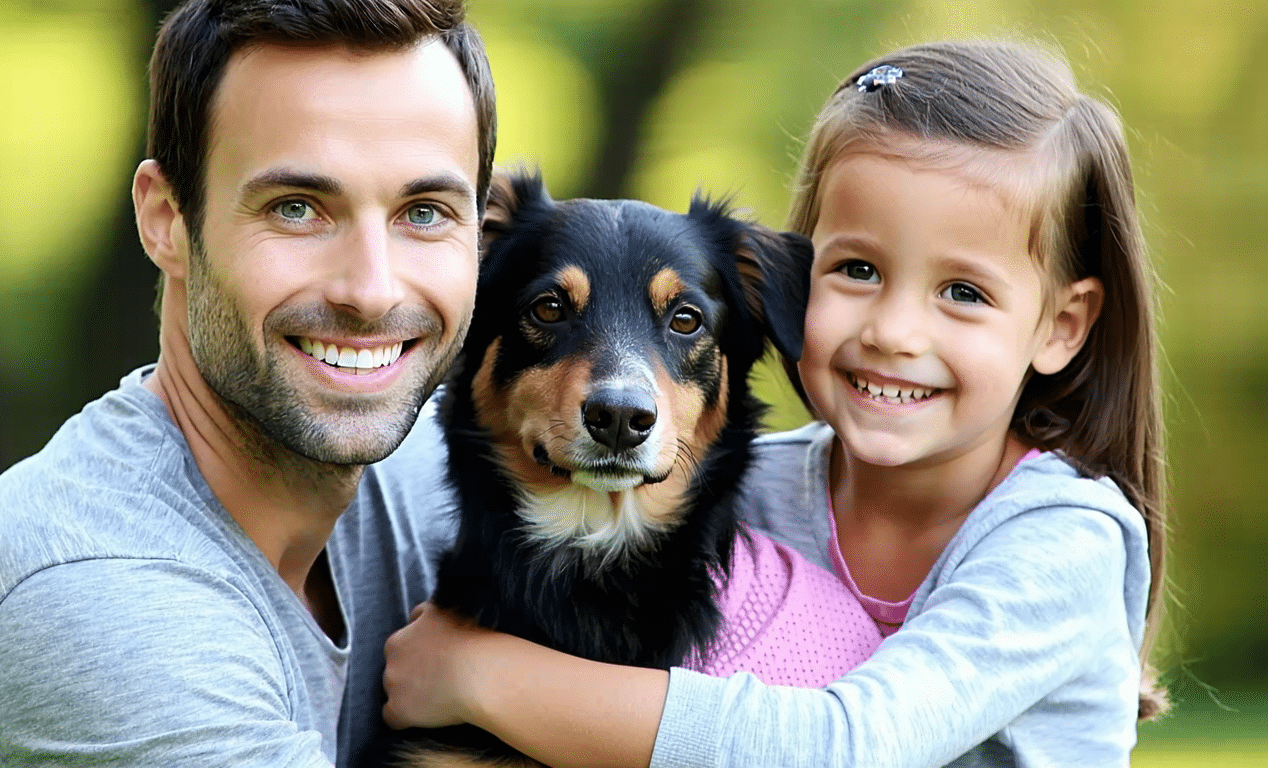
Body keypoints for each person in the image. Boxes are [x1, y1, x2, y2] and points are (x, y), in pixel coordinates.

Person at [380, 38, 1168, 767]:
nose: (894, 332)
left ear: (1060, 327)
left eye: (962, 292)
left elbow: (848, 747)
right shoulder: (762, 491)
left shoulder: (1063, 542)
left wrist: (481, 676)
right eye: (858, 270)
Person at [0, 0, 495, 765]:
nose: (371, 289)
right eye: (297, 208)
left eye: (424, 213)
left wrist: (516, 687)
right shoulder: (93, 597)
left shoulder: (436, 474)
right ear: (167, 220)